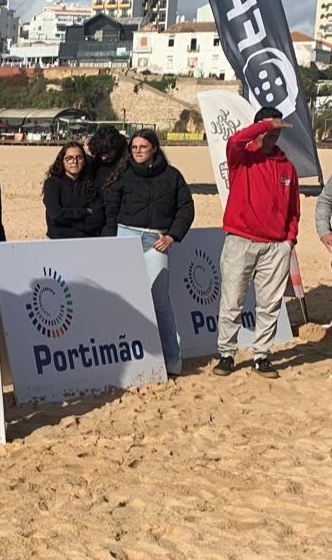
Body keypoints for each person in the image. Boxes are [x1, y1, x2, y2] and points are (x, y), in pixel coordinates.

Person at [212, 108, 301, 378]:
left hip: (276, 246)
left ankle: (262, 355)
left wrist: (289, 240)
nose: (273, 135)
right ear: (259, 128)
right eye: (269, 130)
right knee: (232, 300)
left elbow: (294, 209)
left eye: (277, 131)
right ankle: (227, 354)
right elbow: (233, 141)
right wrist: (262, 125)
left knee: (270, 304)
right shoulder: (242, 156)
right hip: (241, 240)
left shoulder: (287, 166)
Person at [103, 129, 194, 376]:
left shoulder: (173, 176)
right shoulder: (122, 174)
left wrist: (172, 235)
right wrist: (110, 241)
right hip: (125, 237)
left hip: (155, 242)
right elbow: (110, 208)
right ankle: (125, 361)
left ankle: (172, 359)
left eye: (143, 147)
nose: (138, 151)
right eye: (134, 147)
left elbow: (185, 208)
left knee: (160, 303)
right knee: (124, 300)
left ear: (154, 148)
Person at [44, 142, 106, 239]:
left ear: (84, 161)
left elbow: (98, 217)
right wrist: (84, 212)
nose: (74, 162)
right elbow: (55, 214)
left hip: (85, 239)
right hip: (58, 240)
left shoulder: (92, 183)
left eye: (79, 157)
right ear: (62, 161)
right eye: (69, 158)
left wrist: (70, 222)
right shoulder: (52, 184)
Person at [86, 125, 127, 195]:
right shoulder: (95, 163)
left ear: (116, 147)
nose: (103, 158)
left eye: (107, 152)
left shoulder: (126, 166)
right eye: (100, 153)